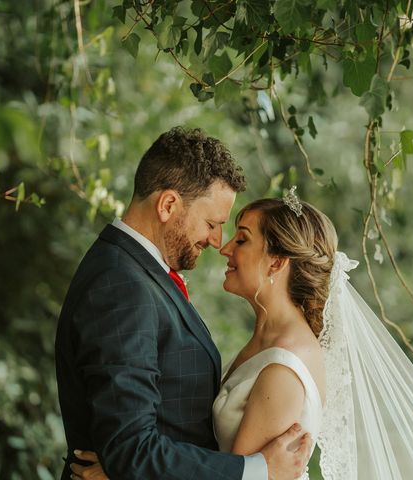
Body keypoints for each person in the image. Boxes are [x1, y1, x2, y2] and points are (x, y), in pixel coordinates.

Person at [72, 187, 413, 480]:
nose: (224, 248)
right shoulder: (264, 344)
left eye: (242, 239)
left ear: (277, 263)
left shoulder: (283, 369)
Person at [55, 127, 312, 480]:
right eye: (211, 223)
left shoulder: (137, 273)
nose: (216, 240)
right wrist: (257, 470)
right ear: (168, 205)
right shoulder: (120, 284)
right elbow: (131, 449)